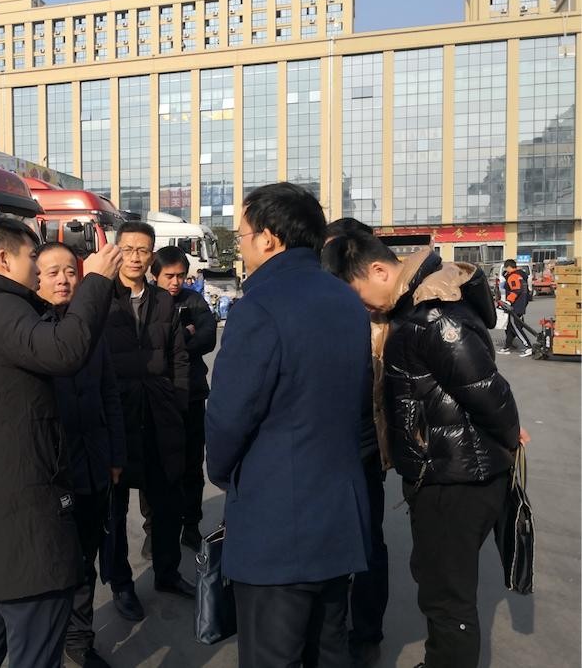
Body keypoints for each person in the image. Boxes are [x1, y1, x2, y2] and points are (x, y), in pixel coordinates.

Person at [0, 218, 122, 668]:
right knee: (34, 646)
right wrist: (95, 281)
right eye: (33, 258)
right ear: (3, 259)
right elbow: (63, 351)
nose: (38, 268)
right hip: (24, 524)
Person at [322, 231, 524, 668]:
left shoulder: (434, 318)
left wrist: (508, 437)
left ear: (379, 270)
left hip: (456, 477)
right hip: (449, 468)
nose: (363, 307)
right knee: (439, 587)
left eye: (358, 294)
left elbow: (490, 394)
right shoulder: (418, 311)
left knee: (448, 598)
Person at [205, 182, 372, 668]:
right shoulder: (346, 301)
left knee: (272, 656)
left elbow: (228, 417)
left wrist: (222, 472)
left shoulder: (258, 306)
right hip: (339, 518)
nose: (241, 246)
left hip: (277, 527)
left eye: (242, 235)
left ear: (269, 239)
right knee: (329, 650)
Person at [34, 243, 126, 668]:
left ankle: (79, 641)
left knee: (86, 561)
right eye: (52, 272)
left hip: (93, 464)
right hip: (52, 472)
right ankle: (46, 641)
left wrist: (115, 455)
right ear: (34, 278)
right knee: (54, 565)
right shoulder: (28, 331)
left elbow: (110, 394)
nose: (63, 280)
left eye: (71, 271)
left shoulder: (92, 328)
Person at [105, 221, 193, 622]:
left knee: (166, 501)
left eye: (143, 250)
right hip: (118, 413)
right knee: (114, 508)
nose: (136, 257)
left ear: (152, 254)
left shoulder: (162, 300)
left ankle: (167, 572)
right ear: (117, 251)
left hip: (159, 412)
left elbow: (178, 358)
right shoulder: (103, 297)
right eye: (129, 249)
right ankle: (121, 584)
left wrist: (177, 403)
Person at [324, 218, 390, 668]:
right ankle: (328, 630)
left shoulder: (385, 312)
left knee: (368, 543)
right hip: (323, 446)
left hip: (365, 446)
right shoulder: (323, 302)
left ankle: (367, 632)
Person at [151, 246, 217, 550]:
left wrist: (173, 345)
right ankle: (154, 528)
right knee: (155, 467)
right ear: (155, 275)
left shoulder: (194, 301)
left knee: (192, 465)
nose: (175, 282)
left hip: (192, 395)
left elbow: (208, 338)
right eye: (169, 276)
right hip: (156, 397)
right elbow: (146, 348)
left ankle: (190, 525)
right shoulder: (147, 302)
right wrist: (184, 334)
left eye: (180, 275)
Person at [498, 259, 533, 357]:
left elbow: (516, 290)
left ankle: (528, 346)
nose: (506, 270)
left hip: (516, 306)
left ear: (509, 267)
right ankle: (507, 346)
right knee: (509, 326)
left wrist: (509, 301)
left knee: (515, 326)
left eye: (506, 268)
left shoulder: (513, 276)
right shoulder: (521, 275)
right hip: (521, 304)